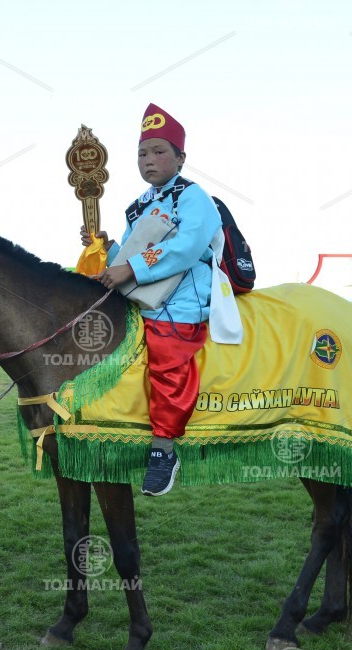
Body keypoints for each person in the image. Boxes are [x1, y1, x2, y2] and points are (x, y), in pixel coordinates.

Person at [81, 103, 221, 496]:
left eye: (159, 151)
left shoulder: (193, 197)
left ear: (181, 158)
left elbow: (187, 247)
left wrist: (131, 268)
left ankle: (164, 449)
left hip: (183, 299)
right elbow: (129, 256)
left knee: (167, 354)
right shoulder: (140, 204)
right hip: (144, 294)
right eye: (142, 153)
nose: (149, 159)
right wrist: (107, 247)